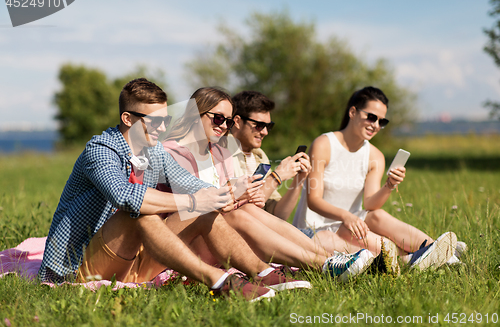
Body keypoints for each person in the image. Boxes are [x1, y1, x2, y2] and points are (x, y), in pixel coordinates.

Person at [37, 78, 312, 302]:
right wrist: (193, 199)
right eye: (154, 121)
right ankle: (220, 281)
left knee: (201, 210)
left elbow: (194, 185)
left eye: (165, 120)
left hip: (133, 263)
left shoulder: (154, 151)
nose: (161, 128)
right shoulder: (100, 151)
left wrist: (224, 195)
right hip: (79, 268)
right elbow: (125, 196)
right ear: (128, 118)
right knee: (139, 212)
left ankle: (262, 273)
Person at [161, 87, 376, 282]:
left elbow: (267, 211)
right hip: (178, 239)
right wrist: (268, 181)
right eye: (218, 119)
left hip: (219, 232)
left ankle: (329, 262)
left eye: (226, 121)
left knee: (244, 211)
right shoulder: (173, 152)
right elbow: (198, 204)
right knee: (241, 213)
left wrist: (293, 182)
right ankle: (326, 264)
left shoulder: (220, 152)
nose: (223, 126)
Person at [293, 86, 463, 270]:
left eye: (382, 121)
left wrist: (389, 185)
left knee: (378, 215)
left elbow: (370, 205)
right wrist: (346, 216)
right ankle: (427, 257)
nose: (376, 125)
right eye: (372, 117)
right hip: (316, 230)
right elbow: (313, 200)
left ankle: (437, 252)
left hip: (352, 226)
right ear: (353, 112)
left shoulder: (375, 156)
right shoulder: (324, 144)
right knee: (369, 237)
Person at [229, 91, 308, 221]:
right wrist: (276, 177)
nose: (265, 132)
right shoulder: (222, 153)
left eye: (269, 126)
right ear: (237, 121)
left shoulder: (259, 156)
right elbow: (241, 212)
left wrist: (299, 180)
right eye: (259, 125)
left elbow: (279, 215)